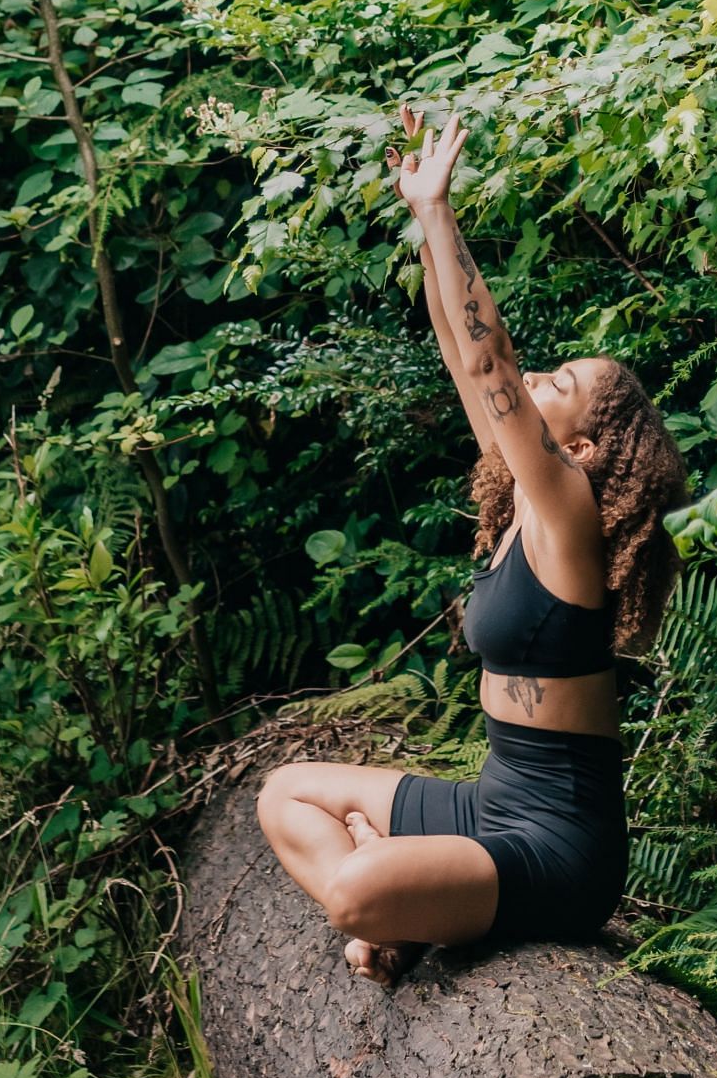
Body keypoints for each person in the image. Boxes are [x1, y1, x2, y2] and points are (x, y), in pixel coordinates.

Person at [255, 103, 691, 987]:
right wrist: (423, 227)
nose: (536, 378)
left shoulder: (568, 518)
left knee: (352, 895)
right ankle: (403, 901)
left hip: (557, 848)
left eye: (560, 384)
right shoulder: (530, 502)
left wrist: (444, 213)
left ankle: (391, 899)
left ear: (583, 451)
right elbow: (466, 355)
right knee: (283, 792)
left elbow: (495, 366)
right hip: (488, 801)